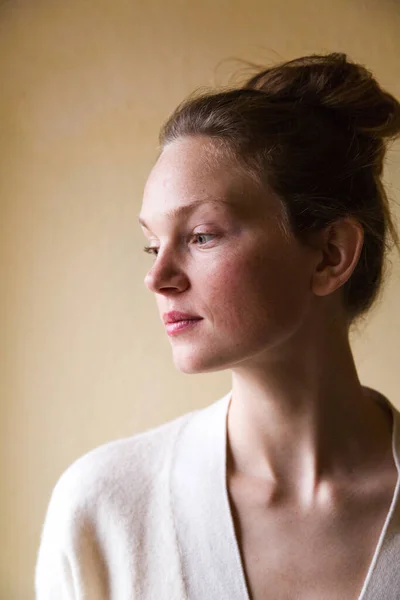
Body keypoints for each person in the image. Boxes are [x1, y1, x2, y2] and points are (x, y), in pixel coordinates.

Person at [35, 52, 400, 599]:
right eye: (152, 244)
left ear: (330, 254)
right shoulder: (103, 509)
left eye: (201, 236)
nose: (157, 277)